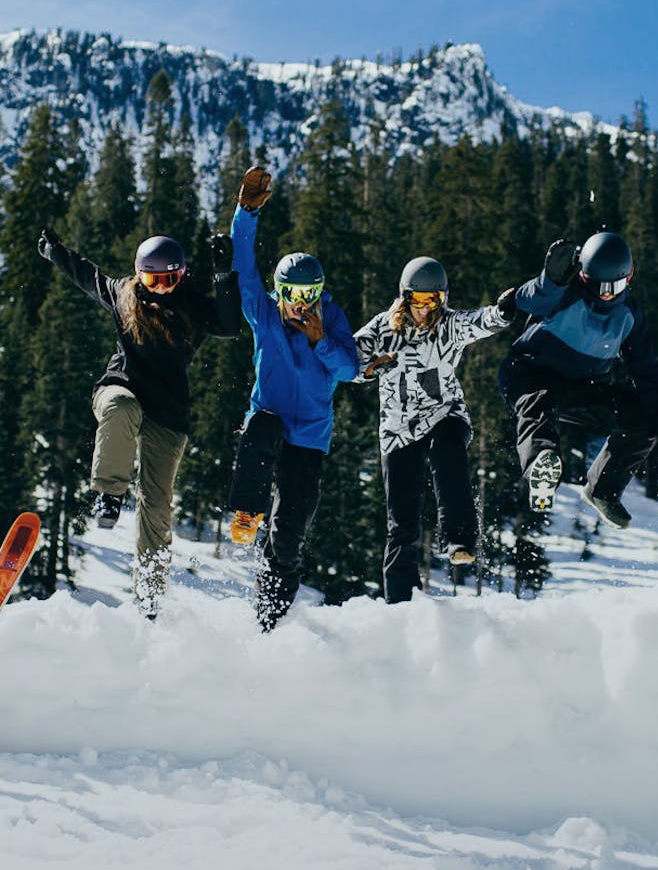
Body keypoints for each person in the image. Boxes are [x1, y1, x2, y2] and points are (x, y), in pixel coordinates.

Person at [37, 227, 241, 618]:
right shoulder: (123, 295)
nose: (161, 288)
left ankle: (149, 597)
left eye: (169, 279)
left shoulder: (193, 307)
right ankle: (108, 495)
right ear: (138, 275)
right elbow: (86, 274)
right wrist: (54, 251)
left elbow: (230, 326)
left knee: (157, 505)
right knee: (120, 408)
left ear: (181, 276)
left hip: (168, 411)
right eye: (152, 279)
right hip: (121, 388)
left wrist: (223, 274)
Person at [227, 165, 359, 631]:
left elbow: (350, 369)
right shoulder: (263, 313)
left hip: (310, 439)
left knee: (289, 532)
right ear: (279, 293)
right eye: (293, 294)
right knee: (261, 427)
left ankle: (271, 616)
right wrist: (246, 214)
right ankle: (246, 508)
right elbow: (242, 265)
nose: (301, 303)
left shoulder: (332, 319)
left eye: (311, 294)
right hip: (269, 423)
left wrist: (322, 338)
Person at [354, 256, 515, 604]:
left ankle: (459, 539)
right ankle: (401, 605)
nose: (425, 309)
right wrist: (369, 370)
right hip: (398, 430)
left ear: (443, 298)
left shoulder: (449, 325)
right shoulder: (383, 329)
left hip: (444, 413)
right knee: (402, 523)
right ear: (404, 296)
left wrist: (503, 310)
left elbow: (480, 321)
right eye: (418, 300)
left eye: (433, 301)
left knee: (449, 455)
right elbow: (347, 362)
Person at [498, 231, 658, 527]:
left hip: (581, 387)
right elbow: (531, 298)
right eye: (598, 285)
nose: (606, 293)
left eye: (614, 286)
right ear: (584, 276)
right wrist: (549, 280)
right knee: (537, 405)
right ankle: (542, 464)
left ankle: (602, 491)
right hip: (530, 375)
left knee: (642, 418)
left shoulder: (628, 315)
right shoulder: (564, 291)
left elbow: (647, 371)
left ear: (628, 278)